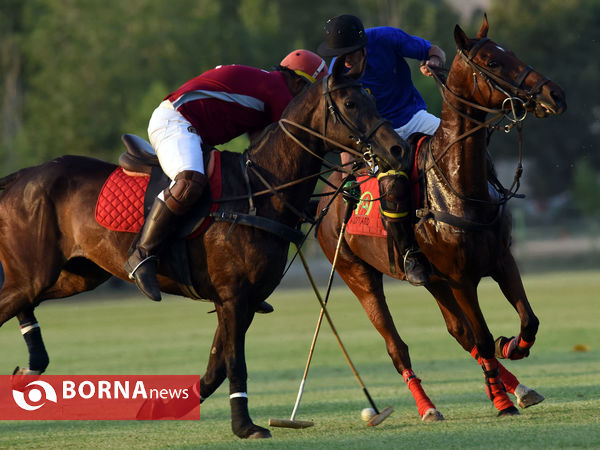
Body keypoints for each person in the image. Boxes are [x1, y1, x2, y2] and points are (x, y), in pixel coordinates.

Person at [125, 50, 329, 301]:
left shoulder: (267, 89)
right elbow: (294, 149)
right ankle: (142, 254)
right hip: (176, 121)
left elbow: (267, 163)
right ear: (299, 83)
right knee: (189, 181)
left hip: (194, 132)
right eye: (311, 93)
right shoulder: (279, 92)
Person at [318, 14, 446, 286]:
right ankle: (411, 254)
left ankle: (490, 210)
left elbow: (435, 50)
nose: (346, 61)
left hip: (414, 117)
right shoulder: (337, 73)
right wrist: (347, 169)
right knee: (392, 187)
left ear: (363, 46)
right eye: (340, 56)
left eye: (350, 54)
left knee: (458, 144)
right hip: (375, 138)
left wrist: (433, 62)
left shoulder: (386, 38)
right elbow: (345, 125)